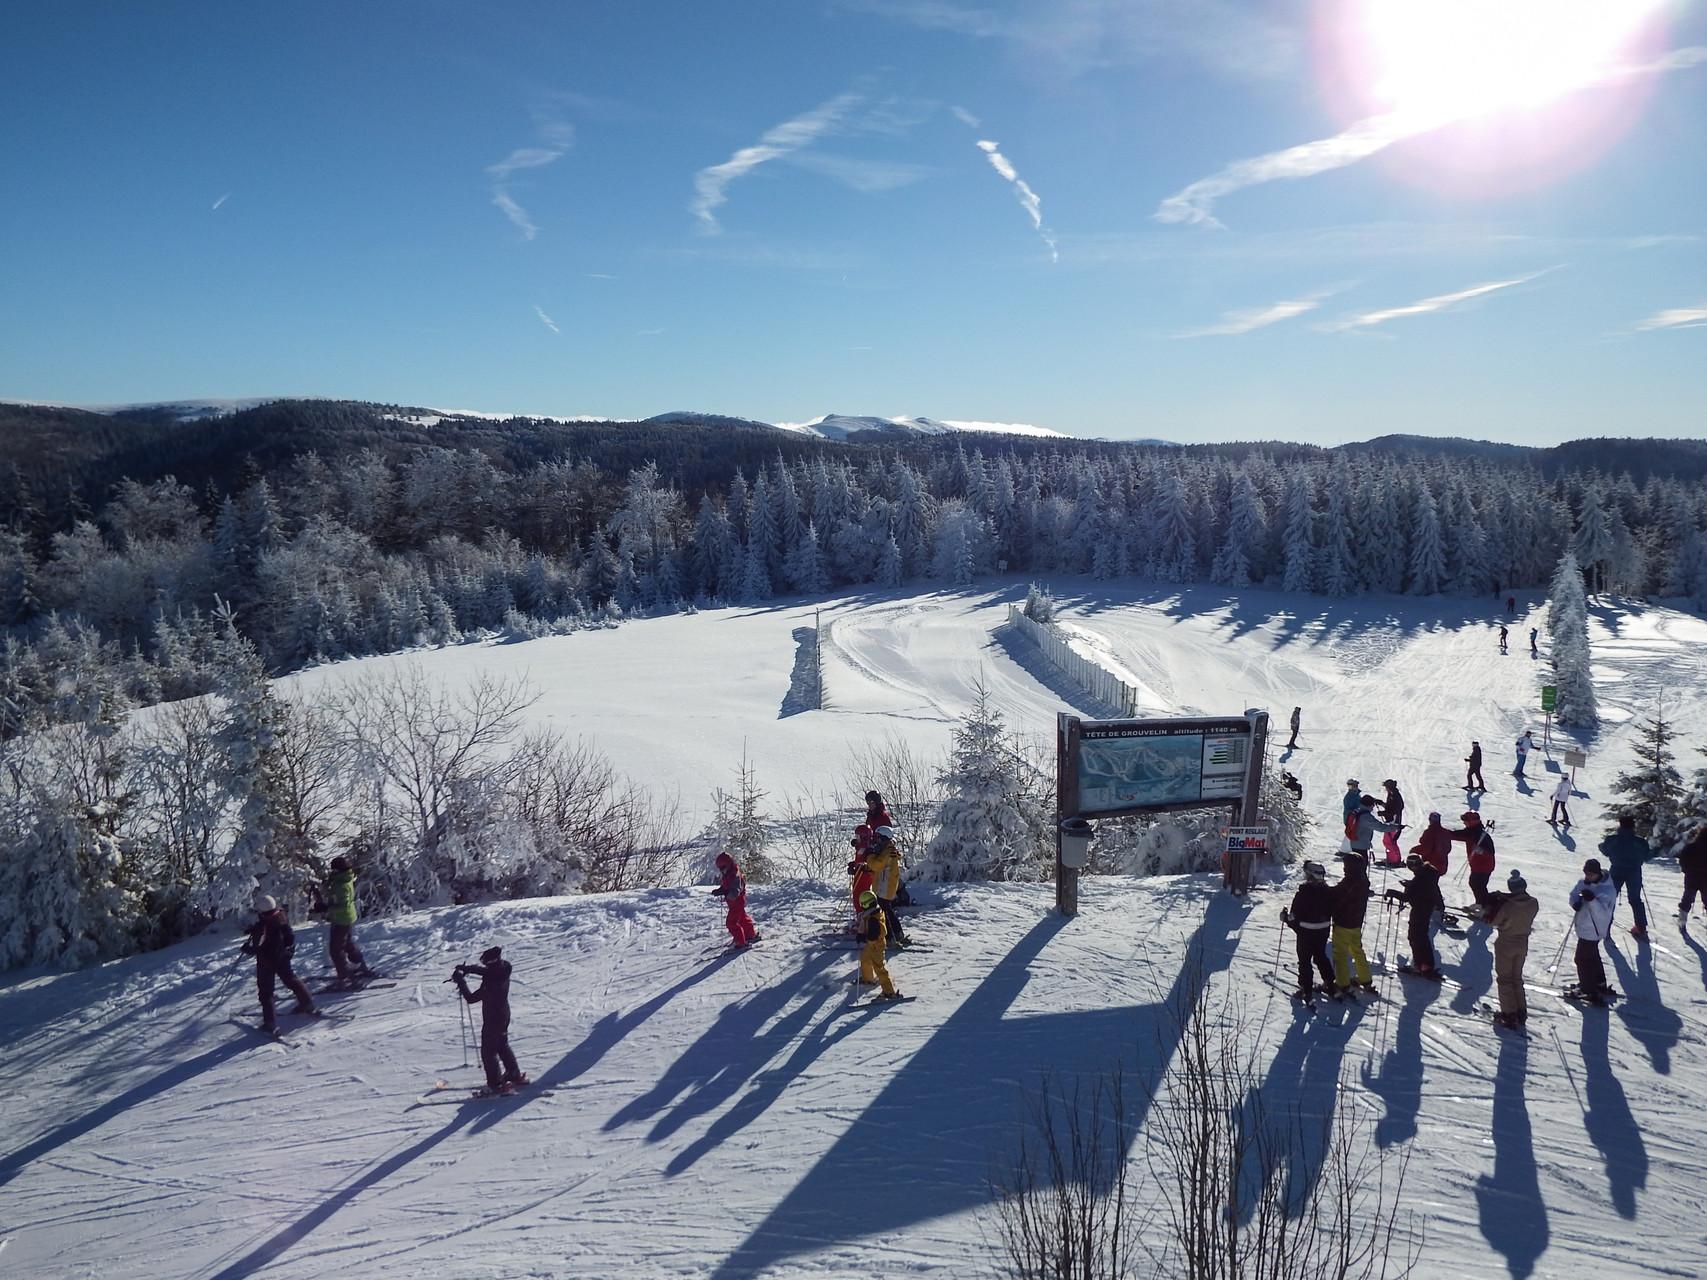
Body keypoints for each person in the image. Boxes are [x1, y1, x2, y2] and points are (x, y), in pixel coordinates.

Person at [454, 946, 525, 1096]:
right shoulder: (504, 968)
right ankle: (513, 1073)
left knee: (488, 1051)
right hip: (503, 1014)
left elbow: (471, 998)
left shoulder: (491, 984)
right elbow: (488, 971)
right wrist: (469, 969)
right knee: (502, 1045)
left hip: (493, 1018)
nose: (485, 965)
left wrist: (461, 982)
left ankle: (495, 1084)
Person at [243, 896, 318, 1035]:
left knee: (266, 992)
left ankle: (270, 1023)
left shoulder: (265, 925)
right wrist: (289, 950)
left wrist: (247, 949)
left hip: (267, 962)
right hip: (282, 958)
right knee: (291, 980)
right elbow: (288, 936)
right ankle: (307, 1003)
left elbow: (259, 947)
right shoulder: (280, 916)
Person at [1485, 871, 1539, 1028]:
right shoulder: (1533, 902)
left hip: (1506, 942)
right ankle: (1521, 1010)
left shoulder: (1507, 906)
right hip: (1523, 943)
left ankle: (1509, 1013)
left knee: (1504, 979)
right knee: (1516, 978)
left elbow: (1492, 921)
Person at [1281, 861, 1336, 1001]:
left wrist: (1286, 919)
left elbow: (1294, 917)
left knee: (1304, 960)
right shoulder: (1328, 891)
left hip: (1306, 932)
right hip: (1323, 930)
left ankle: (1306, 989)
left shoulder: (1303, 893)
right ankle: (1330, 983)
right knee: (1320, 956)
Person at [315, 856, 372, 983]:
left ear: (339, 870)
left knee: (335, 949)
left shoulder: (342, 885)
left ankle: (344, 975)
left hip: (341, 919)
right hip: (346, 917)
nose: (332, 872)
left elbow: (342, 904)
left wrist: (326, 907)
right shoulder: (342, 879)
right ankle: (359, 965)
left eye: (334, 870)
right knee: (347, 944)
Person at [1385, 853, 1444, 976]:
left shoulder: (1419, 879)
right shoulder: (1429, 873)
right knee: (1422, 937)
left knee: (1414, 937)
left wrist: (1392, 892)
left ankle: (1419, 966)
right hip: (1428, 908)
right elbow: (1429, 888)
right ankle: (1427, 965)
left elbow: (1406, 897)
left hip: (1419, 909)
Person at [1568, 860, 1617, 1002]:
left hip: (1594, 928)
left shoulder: (1607, 890)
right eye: (1586, 873)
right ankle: (1599, 982)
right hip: (1583, 926)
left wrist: (1592, 900)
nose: (1588, 876)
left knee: (1581, 959)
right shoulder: (1583, 882)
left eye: (1591, 874)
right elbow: (1574, 894)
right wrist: (1575, 903)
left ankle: (1587, 989)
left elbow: (1603, 913)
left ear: (1598, 872)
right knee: (1593, 956)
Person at [1600, 814, 1653, 938]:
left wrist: (1602, 847)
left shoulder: (1612, 839)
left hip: (1616, 870)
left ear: (1620, 824)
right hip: (1634, 872)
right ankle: (1641, 927)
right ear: (1633, 826)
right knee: (1635, 899)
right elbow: (1647, 856)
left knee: (1611, 897)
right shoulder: (1640, 841)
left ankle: (1605, 926)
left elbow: (1605, 851)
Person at [1329, 851, 1375, 995]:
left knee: (1340, 953)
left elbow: (1338, 896)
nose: (1344, 867)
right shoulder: (1363, 880)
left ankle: (1342, 983)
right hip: (1356, 922)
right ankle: (1365, 978)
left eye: (1345, 865)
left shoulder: (1349, 881)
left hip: (1343, 922)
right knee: (1357, 950)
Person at [865, 826, 911, 946]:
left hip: (885, 886)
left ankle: (891, 936)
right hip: (885, 885)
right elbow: (880, 867)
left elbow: (877, 865)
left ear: (884, 838)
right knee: (887, 910)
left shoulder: (887, 851)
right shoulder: (887, 849)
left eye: (878, 837)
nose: (876, 840)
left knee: (885, 911)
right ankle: (896, 934)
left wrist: (869, 857)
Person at [855, 889, 903, 999]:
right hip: (871, 944)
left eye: (862, 904)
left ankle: (889, 992)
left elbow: (878, 933)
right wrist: (861, 934)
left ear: (866, 904)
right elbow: (866, 928)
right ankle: (868, 978)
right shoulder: (872, 913)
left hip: (877, 945)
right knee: (865, 959)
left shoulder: (874, 918)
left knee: (879, 968)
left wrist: (866, 936)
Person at [711, 851, 760, 948]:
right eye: (720, 868)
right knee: (742, 919)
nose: (721, 870)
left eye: (723, 868)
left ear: (729, 864)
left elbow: (735, 892)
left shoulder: (736, 876)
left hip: (737, 903)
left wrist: (725, 892)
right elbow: (726, 886)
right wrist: (720, 890)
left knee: (731, 923)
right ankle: (750, 935)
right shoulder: (728, 874)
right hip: (734, 904)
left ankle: (740, 942)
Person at [1450, 811, 1498, 908]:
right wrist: (1445, 834)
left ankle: (1483, 906)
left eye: (1465, 821)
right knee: (1475, 884)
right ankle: (1481, 904)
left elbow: (1490, 853)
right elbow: (1458, 835)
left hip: (1484, 866)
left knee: (1478, 885)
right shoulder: (1470, 832)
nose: (1464, 823)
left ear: (1472, 822)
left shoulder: (1482, 836)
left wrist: (1481, 851)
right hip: (1477, 866)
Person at [1348, 793, 1400, 860]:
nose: (1373, 807)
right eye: (1373, 805)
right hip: (1360, 844)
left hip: (1356, 842)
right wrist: (1395, 827)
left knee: (1357, 865)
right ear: (1369, 805)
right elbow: (1380, 827)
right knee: (1361, 865)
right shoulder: (1366, 817)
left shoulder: (1358, 811)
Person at [1678, 823, 1707, 920]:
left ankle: (1682, 920)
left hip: (1692, 876)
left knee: (1688, 898)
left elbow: (1683, 860)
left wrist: (1686, 870)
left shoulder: (1691, 846)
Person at [1378, 780, 1406, 865]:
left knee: (1389, 841)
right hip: (1392, 820)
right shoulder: (1392, 795)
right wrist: (1382, 804)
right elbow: (1390, 807)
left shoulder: (1394, 796)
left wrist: (1384, 813)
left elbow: (1394, 810)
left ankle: (1394, 860)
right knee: (1389, 841)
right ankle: (1393, 858)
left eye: (1386, 787)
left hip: (1393, 822)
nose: (1385, 789)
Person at [1415, 811, 1452, 876]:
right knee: (1433, 882)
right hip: (1442, 865)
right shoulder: (1445, 832)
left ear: (1430, 820)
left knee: (1427, 883)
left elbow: (1425, 849)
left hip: (1430, 865)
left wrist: (1413, 851)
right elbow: (1448, 849)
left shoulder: (1429, 832)